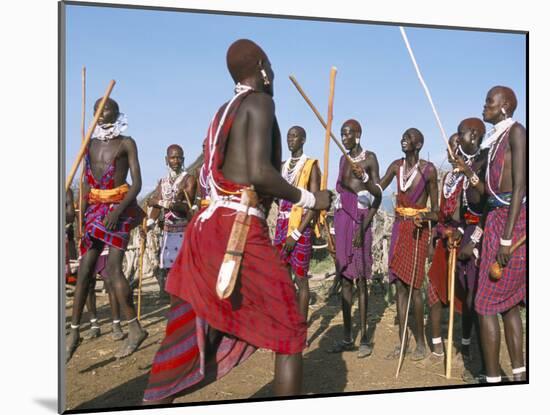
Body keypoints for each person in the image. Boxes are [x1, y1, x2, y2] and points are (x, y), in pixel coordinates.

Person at [142, 39, 332, 404]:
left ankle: (154, 399)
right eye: (271, 67)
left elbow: (234, 172)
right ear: (262, 66)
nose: (273, 75)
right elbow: (260, 173)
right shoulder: (261, 102)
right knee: (291, 329)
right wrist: (311, 198)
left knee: (198, 326)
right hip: (238, 226)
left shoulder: (221, 113)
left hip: (205, 227)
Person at [66, 97, 147, 362]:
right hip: (94, 211)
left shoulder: (126, 142)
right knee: (85, 268)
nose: (101, 115)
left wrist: (117, 211)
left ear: (116, 113)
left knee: (113, 269)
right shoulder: (88, 144)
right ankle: (75, 332)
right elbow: (87, 185)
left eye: (107, 110)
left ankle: (133, 328)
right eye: (97, 111)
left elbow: (136, 184)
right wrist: (81, 215)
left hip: (119, 210)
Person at [475, 86, 526, 382]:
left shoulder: (517, 132)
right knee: (507, 305)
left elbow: (520, 185)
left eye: (489, 103)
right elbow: (485, 194)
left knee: (484, 305)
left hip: (512, 222)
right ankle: (519, 377)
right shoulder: (494, 141)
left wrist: (507, 239)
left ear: (505, 105)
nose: (484, 107)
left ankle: (493, 380)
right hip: (495, 219)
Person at [378, 128, 439, 361]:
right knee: (399, 287)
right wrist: (364, 177)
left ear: (420, 144)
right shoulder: (396, 166)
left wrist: (425, 218)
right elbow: (377, 188)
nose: (404, 139)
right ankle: (402, 342)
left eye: (409, 137)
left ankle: (421, 343)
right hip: (399, 230)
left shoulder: (429, 170)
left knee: (414, 287)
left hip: (417, 231)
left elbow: (437, 211)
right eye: (402, 135)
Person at [327, 119, 381, 358]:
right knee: (346, 280)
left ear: (358, 134)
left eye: (348, 133)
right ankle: (348, 336)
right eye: (342, 134)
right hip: (343, 220)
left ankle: (366, 339)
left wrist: (366, 180)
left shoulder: (370, 159)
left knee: (360, 280)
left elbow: (377, 196)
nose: (344, 137)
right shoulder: (342, 160)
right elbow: (341, 191)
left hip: (361, 221)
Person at [273, 126, 321, 321]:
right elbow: (277, 196)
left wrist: (296, 233)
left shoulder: (311, 166)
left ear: (303, 139)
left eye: (295, 136)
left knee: (301, 278)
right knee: (283, 278)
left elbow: (315, 203)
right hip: (281, 226)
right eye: (288, 136)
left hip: (301, 228)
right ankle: (288, 321)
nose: (290, 139)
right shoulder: (283, 166)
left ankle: (300, 328)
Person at [146, 144, 197, 301]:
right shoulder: (163, 181)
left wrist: (160, 202)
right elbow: (152, 204)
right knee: (169, 268)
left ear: (183, 159)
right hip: (168, 231)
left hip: (184, 229)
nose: (176, 160)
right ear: (166, 160)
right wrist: (150, 221)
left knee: (185, 267)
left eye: (179, 157)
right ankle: (174, 301)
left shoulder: (189, 179)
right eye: (172, 157)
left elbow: (183, 207)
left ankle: (186, 300)